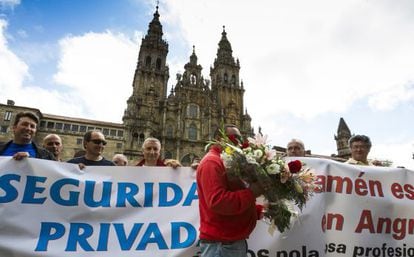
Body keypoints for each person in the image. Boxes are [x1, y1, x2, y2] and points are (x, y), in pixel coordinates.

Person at [196, 124, 264, 257]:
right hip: (222, 246)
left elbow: (231, 198)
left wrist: (259, 210)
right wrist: (252, 193)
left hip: (229, 244)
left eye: (240, 138)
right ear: (219, 138)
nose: (239, 142)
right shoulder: (212, 162)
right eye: (235, 137)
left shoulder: (226, 161)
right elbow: (218, 201)